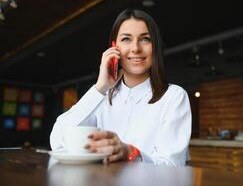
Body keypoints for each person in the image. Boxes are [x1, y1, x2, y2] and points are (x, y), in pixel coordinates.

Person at [50, 9, 192, 166]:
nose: (136, 48)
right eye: (126, 39)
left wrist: (130, 153)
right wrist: (100, 88)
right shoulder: (101, 97)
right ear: (114, 47)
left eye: (145, 39)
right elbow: (58, 141)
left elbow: (173, 165)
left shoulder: (174, 96)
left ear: (155, 47)